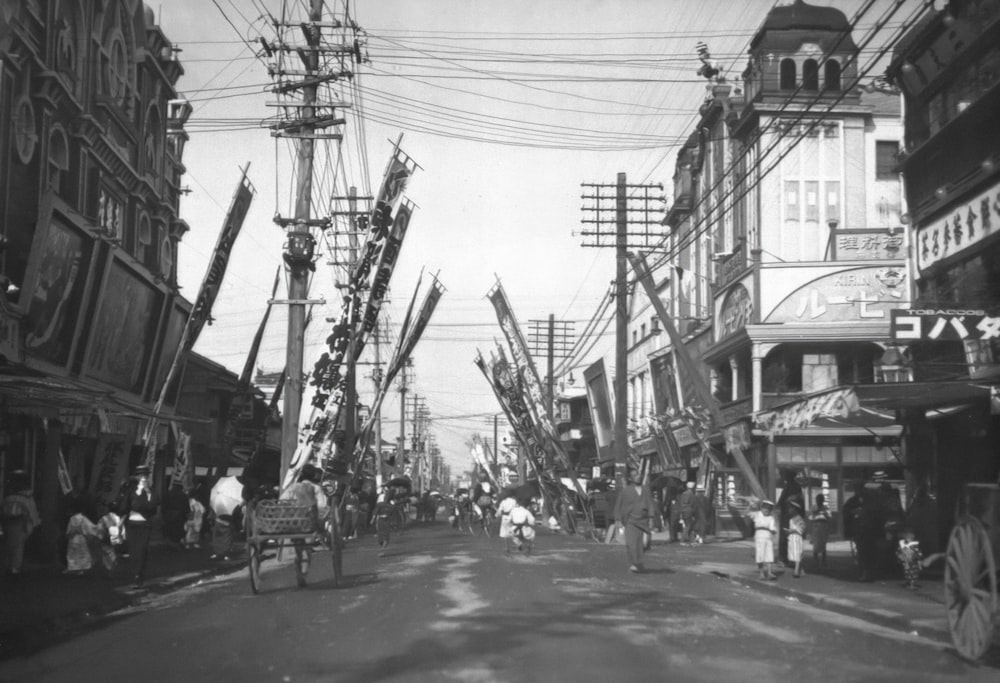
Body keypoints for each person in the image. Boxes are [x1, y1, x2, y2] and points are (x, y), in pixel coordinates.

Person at [120, 464, 159, 588]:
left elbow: (152, 507)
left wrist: (145, 493)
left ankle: (138, 576)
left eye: (145, 475)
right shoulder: (130, 491)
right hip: (132, 524)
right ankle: (134, 574)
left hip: (144, 524)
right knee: (133, 552)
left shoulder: (151, 491)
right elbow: (124, 507)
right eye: (140, 475)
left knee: (141, 551)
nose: (143, 478)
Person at [613, 469, 654, 573]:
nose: (638, 477)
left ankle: (638, 563)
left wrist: (651, 517)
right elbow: (619, 505)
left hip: (643, 521)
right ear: (631, 478)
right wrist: (618, 519)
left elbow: (650, 503)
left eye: (638, 475)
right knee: (631, 544)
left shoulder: (646, 490)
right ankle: (634, 563)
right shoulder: (626, 491)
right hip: (630, 520)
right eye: (634, 475)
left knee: (644, 543)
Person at [1, 470, 40, 575]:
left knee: (11, 545)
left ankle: (10, 565)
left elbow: (3, 511)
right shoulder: (27, 497)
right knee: (18, 546)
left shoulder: (8, 497)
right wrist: (34, 523)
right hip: (22, 524)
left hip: (12, 523)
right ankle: (14, 566)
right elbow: (32, 513)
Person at [64, 501, 101, 575]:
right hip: (82, 538)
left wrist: (68, 534)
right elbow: (90, 527)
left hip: (73, 538)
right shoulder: (83, 518)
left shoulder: (72, 518)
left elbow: (69, 529)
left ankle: (73, 568)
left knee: (72, 554)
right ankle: (82, 568)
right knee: (83, 553)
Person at [776, 469, 804, 565]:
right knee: (793, 536)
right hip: (795, 513)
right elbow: (801, 500)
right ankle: (792, 557)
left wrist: (779, 506)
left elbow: (781, 500)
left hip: (787, 514)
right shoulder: (797, 486)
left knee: (784, 536)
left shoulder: (788, 486)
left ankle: (783, 558)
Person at [748, 499, 778, 580]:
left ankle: (769, 572)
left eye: (769, 509)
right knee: (760, 555)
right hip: (759, 536)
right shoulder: (757, 514)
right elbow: (749, 513)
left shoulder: (771, 518)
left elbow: (773, 528)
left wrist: (774, 533)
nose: (766, 511)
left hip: (768, 537)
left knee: (769, 554)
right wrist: (751, 505)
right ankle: (761, 573)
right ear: (762, 508)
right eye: (765, 508)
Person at [97, 502, 124, 574]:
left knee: (107, 554)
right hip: (116, 538)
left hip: (106, 538)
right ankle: (113, 567)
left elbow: (100, 529)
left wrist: (100, 537)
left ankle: (109, 569)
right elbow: (121, 528)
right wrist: (121, 536)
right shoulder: (117, 517)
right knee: (113, 553)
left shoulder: (103, 519)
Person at [809, 493, 832, 569]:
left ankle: (824, 561)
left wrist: (825, 514)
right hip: (816, 526)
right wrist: (815, 512)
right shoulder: (813, 507)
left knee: (823, 543)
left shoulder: (826, 508)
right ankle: (816, 561)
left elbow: (830, 517)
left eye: (821, 500)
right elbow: (810, 517)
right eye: (818, 500)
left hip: (823, 526)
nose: (819, 501)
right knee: (816, 544)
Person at [786, 501, 806, 578]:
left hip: (797, 538)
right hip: (792, 538)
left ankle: (796, 571)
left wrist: (793, 530)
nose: (789, 510)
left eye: (791, 508)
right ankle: (801, 569)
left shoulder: (799, 519)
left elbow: (802, 529)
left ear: (795, 510)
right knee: (794, 554)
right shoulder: (791, 519)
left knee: (797, 554)